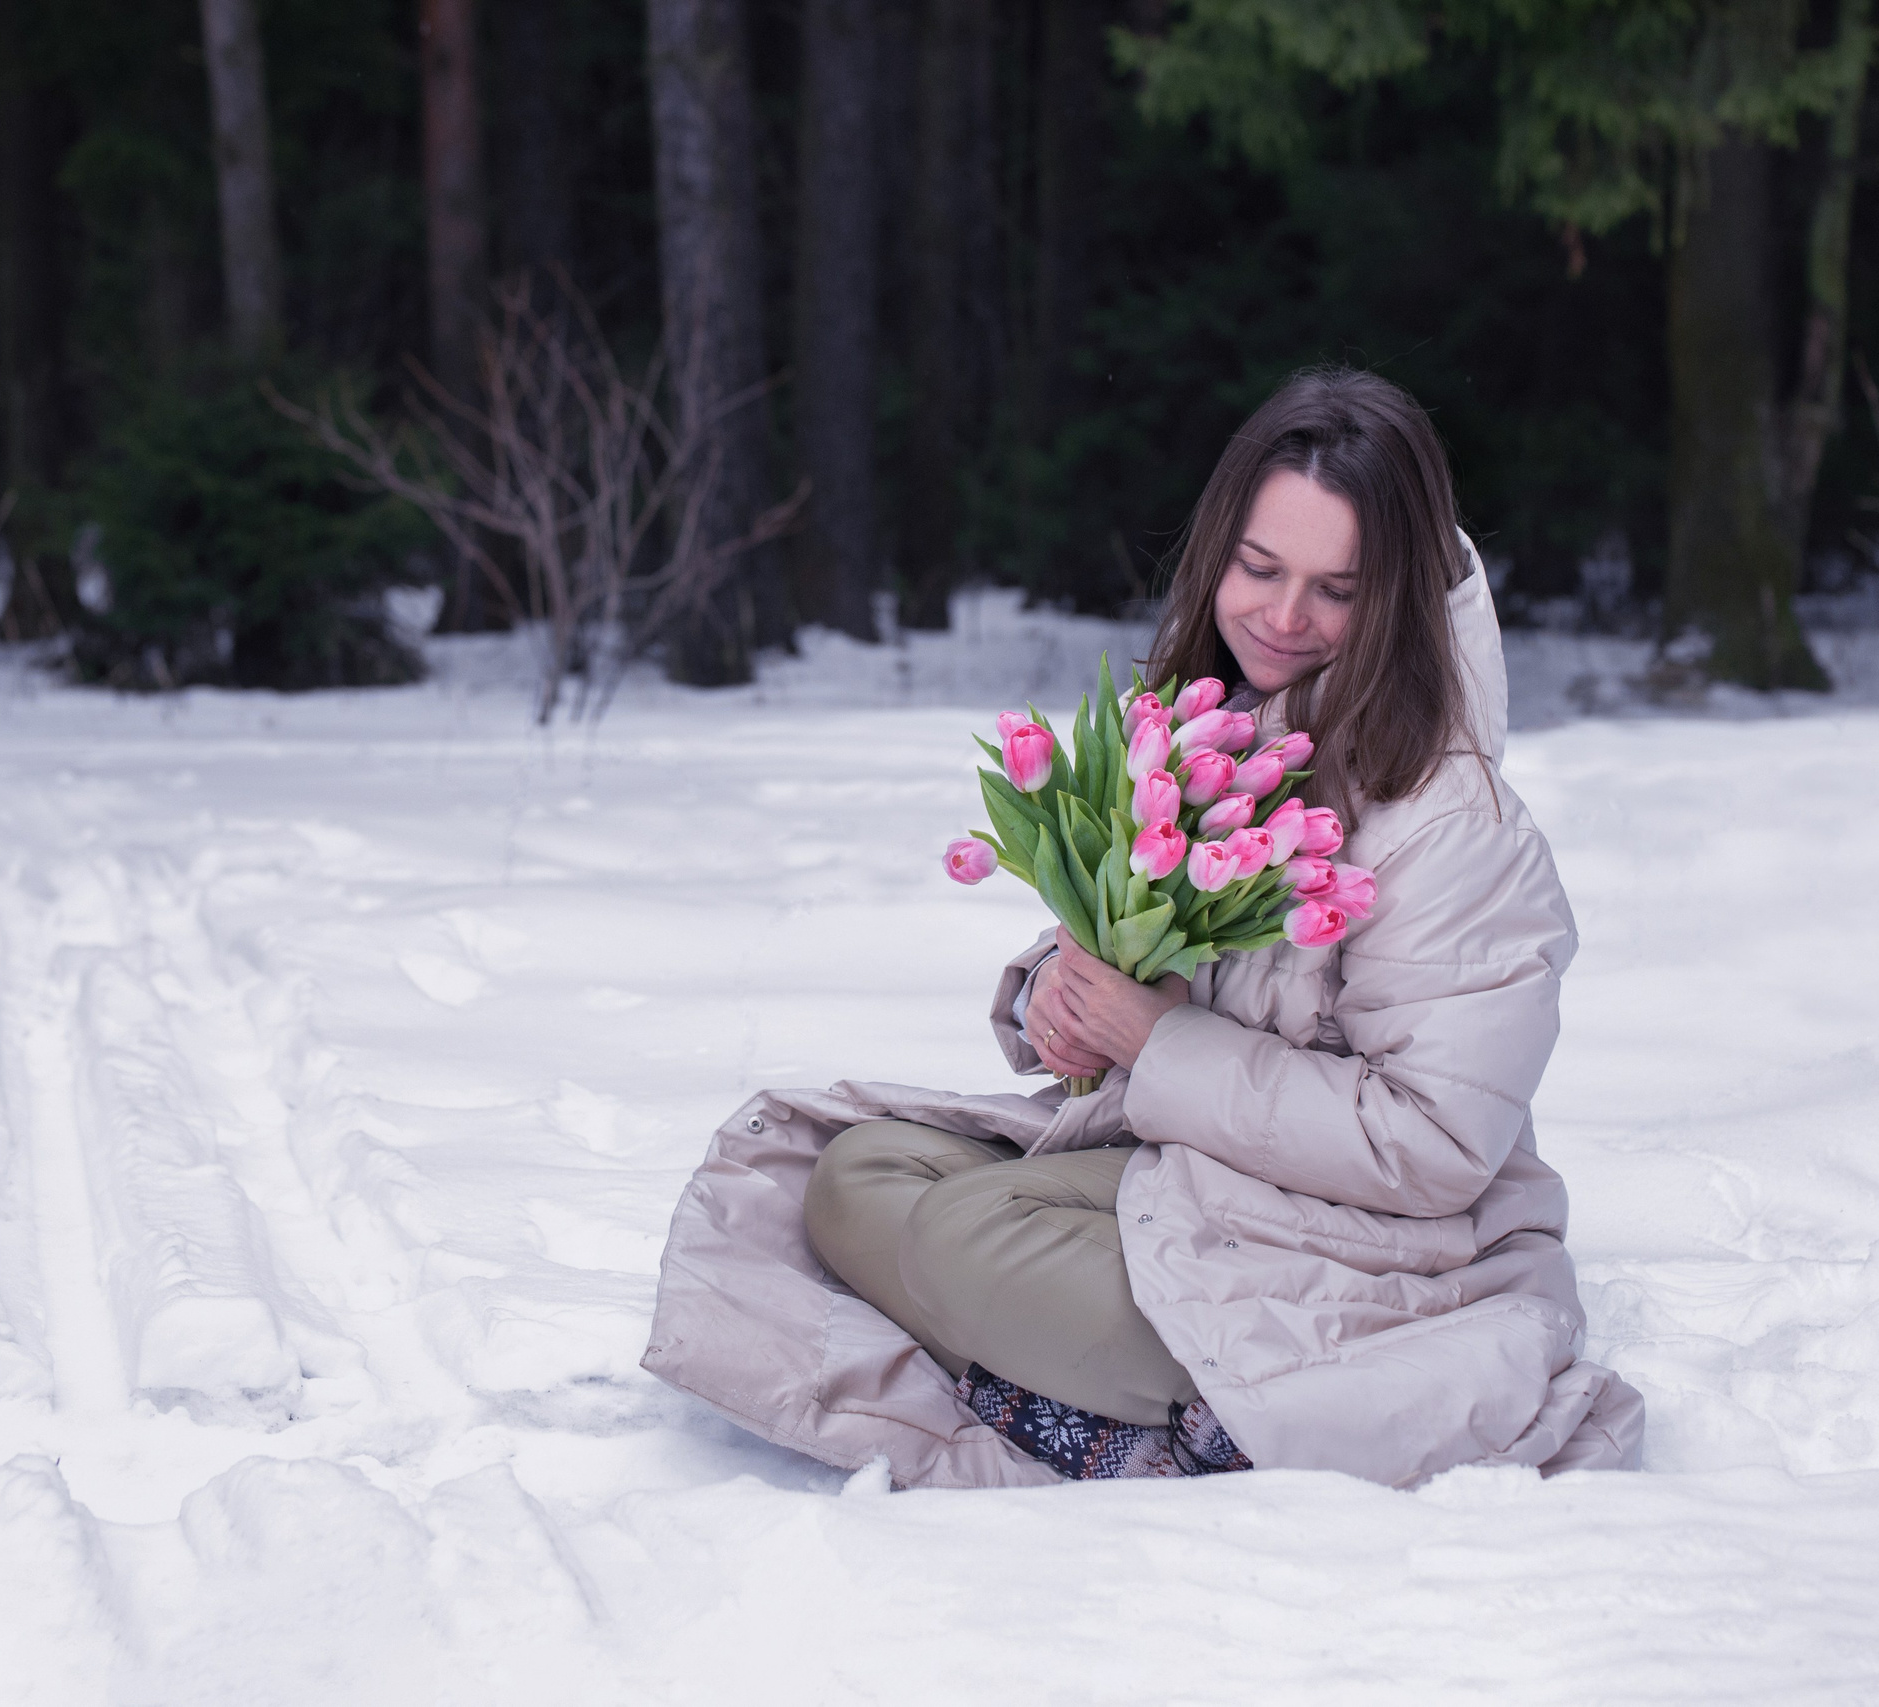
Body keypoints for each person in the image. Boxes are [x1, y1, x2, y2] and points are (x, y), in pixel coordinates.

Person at [642, 368, 1643, 1488]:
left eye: (1337, 590)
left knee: (959, 1238)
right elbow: (1157, 960)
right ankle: (1075, 1393)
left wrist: (1157, 1043)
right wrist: (1058, 994)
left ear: (1399, 599)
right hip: (1192, 1175)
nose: (1283, 617)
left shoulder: (1453, 826)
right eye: (1258, 568)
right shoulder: (1203, 733)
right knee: (850, 1177)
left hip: (1384, 1264)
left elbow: (1432, 1146)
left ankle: (1176, 1429)